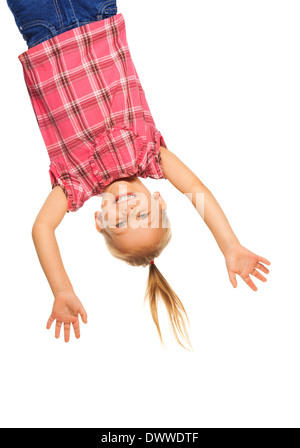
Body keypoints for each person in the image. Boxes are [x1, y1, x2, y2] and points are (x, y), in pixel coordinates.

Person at [6, 1, 271, 349]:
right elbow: (196, 189)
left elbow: (41, 229)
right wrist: (229, 245)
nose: (129, 210)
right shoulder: (151, 156)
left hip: (41, 29)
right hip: (96, 14)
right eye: (143, 215)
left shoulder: (76, 184)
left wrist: (62, 289)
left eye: (120, 223)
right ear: (159, 200)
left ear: (100, 221)